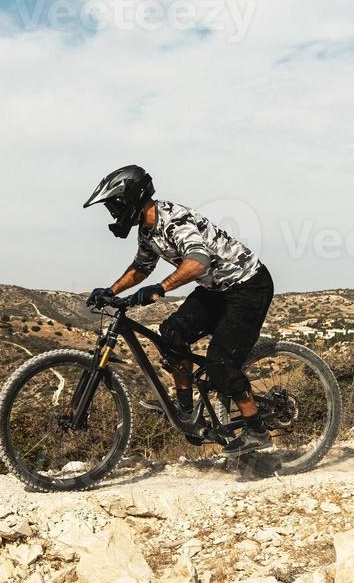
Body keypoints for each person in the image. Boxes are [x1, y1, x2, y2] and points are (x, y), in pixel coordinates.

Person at [83, 164, 275, 453]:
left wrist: (161, 288)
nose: (113, 213)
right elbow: (140, 267)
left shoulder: (174, 219)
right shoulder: (148, 230)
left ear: (130, 198)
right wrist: (111, 291)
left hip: (247, 286)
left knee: (220, 363)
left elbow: (198, 261)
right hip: (217, 289)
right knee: (172, 332)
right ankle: (185, 409)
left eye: (114, 205)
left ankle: (256, 428)